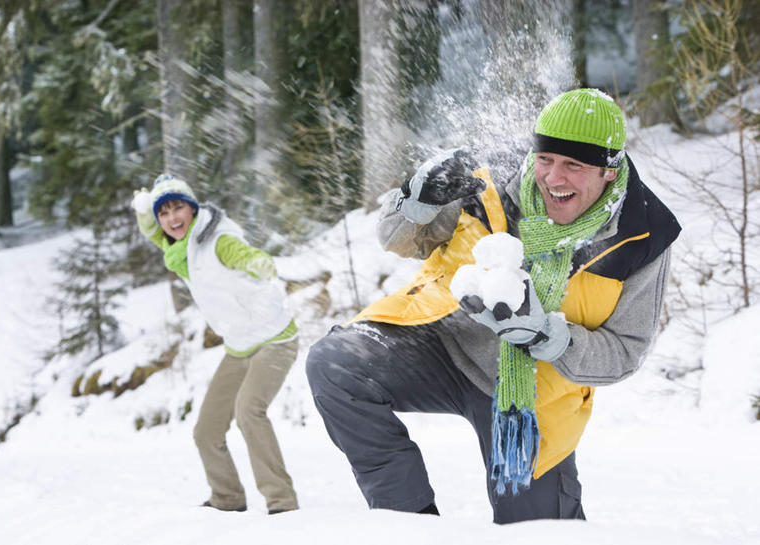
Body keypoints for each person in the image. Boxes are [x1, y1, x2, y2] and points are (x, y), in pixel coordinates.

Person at [305, 88, 681, 523]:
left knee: (540, 531)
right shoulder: (490, 182)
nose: (553, 178)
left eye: (573, 166)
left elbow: (624, 352)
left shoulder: (641, 235)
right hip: (445, 345)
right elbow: (399, 239)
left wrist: (548, 335)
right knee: (335, 364)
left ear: (609, 171)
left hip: (532, 392)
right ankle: (408, 525)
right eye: (545, 159)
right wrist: (417, 199)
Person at [131, 174, 299, 515]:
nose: (172, 219)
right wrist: (144, 211)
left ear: (192, 209)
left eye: (178, 208)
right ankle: (227, 498)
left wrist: (258, 263)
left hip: (274, 340)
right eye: (164, 213)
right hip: (239, 346)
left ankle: (281, 502)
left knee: (249, 412)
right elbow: (153, 231)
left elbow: (242, 253)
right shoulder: (179, 249)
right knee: (206, 430)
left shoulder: (216, 238)